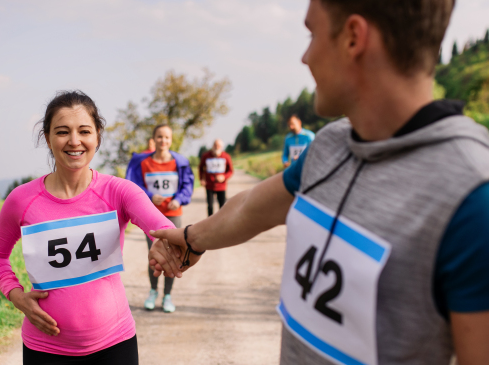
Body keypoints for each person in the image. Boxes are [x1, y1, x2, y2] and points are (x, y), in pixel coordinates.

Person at [149, 0, 489, 364]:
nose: (305, 57)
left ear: (354, 38)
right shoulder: (331, 144)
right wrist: (189, 240)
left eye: (312, 34)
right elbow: (251, 207)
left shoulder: (474, 199)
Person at [0, 90, 179, 364]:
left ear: (97, 135)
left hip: (115, 344)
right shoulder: (21, 200)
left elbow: (162, 227)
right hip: (45, 349)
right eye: (62, 131)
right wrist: (16, 295)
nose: (74, 141)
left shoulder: (120, 191)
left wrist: (169, 241)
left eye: (84, 131)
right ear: (48, 137)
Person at [125, 124, 194, 313]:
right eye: (159, 137)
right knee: (155, 255)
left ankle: (167, 296)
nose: (163, 141)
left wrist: (179, 199)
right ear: (154, 139)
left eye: (167, 138)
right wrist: (149, 196)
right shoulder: (143, 162)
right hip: (151, 216)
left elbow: (187, 185)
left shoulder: (179, 162)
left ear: (171, 140)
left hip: (173, 216)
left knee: (174, 255)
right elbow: (134, 186)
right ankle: (153, 291)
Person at [199, 139, 233, 216]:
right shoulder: (206, 156)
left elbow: (230, 171)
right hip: (209, 185)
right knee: (210, 207)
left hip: (221, 186)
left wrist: (224, 177)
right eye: (215, 145)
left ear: (221, 147)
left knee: (222, 206)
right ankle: (209, 224)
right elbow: (201, 168)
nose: (217, 147)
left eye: (219, 146)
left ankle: (222, 223)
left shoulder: (226, 157)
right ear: (212, 146)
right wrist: (201, 179)